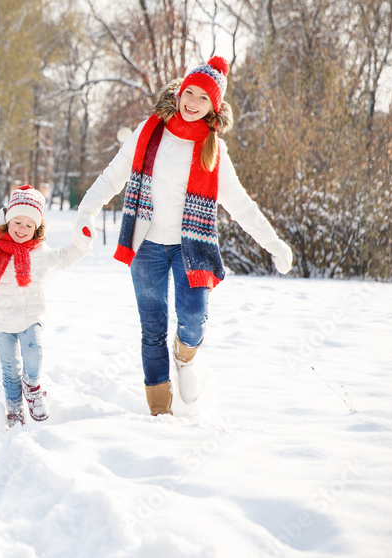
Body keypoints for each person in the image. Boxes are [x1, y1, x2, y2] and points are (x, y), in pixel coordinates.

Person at [74, 56, 293, 416]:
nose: (191, 102)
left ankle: (186, 355)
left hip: (191, 249)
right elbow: (113, 176)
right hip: (146, 247)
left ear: (214, 107)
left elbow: (240, 205)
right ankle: (160, 412)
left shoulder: (214, 150)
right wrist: (85, 214)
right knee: (152, 327)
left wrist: (274, 243)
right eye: (188, 92)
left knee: (193, 317)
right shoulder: (149, 131)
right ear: (178, 92)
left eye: (202, 98)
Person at [0, 185, 92, 428]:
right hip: (0, 319)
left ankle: (32, 388)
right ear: (7, 221)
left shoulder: (39, 251)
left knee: (34, 354)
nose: (22, 229)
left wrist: (81, 243)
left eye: (29, 225)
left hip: (31, 316)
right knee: (10, 369)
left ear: (37, 228)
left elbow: (63, 257)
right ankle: (14, 408)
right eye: (17, 222)